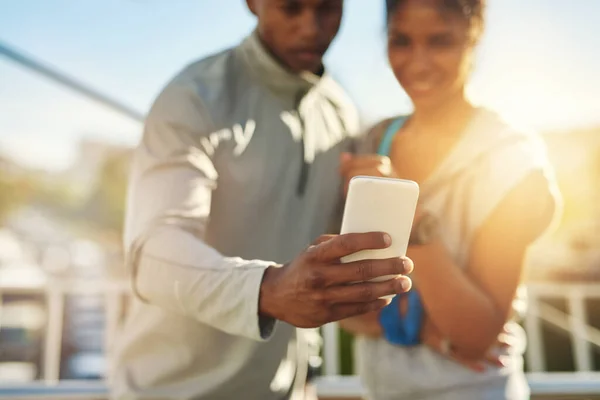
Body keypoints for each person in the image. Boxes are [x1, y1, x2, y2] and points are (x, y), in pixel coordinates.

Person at [109, 1, 415, 399]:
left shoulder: (341, 112)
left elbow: (324, 257)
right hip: (172, 391)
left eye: (327, 9)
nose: (310, 27)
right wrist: (267, 289)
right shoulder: (193, 97)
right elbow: (151, 255)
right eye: (291, 7)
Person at [339, 0, 561, 399]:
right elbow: (343, 302)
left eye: (440, 42)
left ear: (472, 39)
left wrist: (406, 217)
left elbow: (475, 335)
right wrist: (426, 331)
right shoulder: (372, 142)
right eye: (401, 41)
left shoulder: (511, 156)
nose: (418, 63)